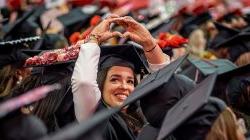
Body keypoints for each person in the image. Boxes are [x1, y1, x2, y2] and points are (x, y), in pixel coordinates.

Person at [71, 14, 170, 140]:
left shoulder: (143, 118)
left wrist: (150, 43)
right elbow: (84, 83)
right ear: (100, 84)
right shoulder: (94, 118)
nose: (124, 86)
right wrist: (93, 38)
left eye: (130, 81)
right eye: (114, 79)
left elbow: (167, 87)